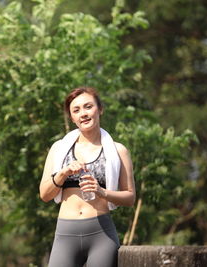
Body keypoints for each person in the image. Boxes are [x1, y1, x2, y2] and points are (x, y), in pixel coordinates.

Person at [39, 87, 136, 267]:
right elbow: (45, 195)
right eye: (76, 110)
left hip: (102, 235)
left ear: (100, 109)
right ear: (72, 117)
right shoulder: (59, 149)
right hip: (65, 235)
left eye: (88, 107)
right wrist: (62, 173)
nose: (83, 113)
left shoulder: (118, 151)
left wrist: (102, 192)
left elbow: (130, 197)